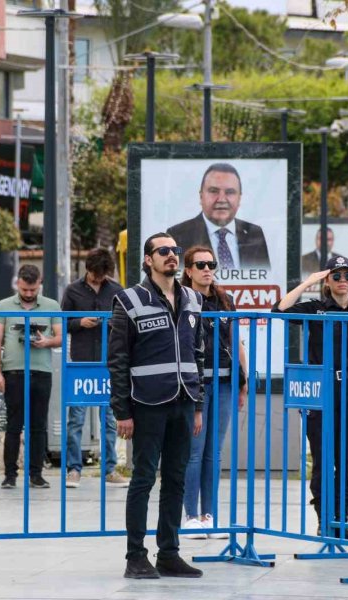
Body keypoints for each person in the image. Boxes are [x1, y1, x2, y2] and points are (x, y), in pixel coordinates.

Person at [108, 233, 205, 579]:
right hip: (146, 403)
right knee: (144, 479)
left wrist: (198, 404)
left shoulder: (193, 298)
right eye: (163, 251)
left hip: (183, 402)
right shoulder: (129, 300)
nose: (172, 256)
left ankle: (169, 553)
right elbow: (118, 359)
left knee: (176, 480)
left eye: (176, 251)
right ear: (148, 259)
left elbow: (198, 353)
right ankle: (136, 556)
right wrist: (122, 411)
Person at [271, 255, 348, 540]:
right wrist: (308, 282)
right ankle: (324, 520)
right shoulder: (315, 310)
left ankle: (342, 520)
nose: (343, 281)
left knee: (347, 462)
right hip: (322, 394)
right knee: (322, 460)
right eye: (336, 276)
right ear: (327, 281)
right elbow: (279, 310)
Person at [179, 246, 248, 540]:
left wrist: (244, 379)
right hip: (194, 385)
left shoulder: (224, 300)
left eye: (211, 264)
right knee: (194, 452)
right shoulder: (181, 299)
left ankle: (210, 516)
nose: (208, 269)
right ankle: (191, 516)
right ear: (189, 271)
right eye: (201, 264)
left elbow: (236, 342)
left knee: (214, 453)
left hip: (223, 383)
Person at [61, 249, 130, 490]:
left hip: (109, 362)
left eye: (101, 277)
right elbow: (62, 322)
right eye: (93, 276)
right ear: (87, 270)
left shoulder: (117, 290)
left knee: (110, 418)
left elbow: (127, 322)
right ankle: (73, 469)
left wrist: (111, 322)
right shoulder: (72, 290)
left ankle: (110, 469)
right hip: (81, 361)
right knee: (76, 418)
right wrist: (80, 322)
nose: (97, 280)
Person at [0, 264, 62, 489]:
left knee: (39, 426)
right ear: (18, 284)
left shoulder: (52, 305)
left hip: (41, 371)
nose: (29, 294)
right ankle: (10, 474)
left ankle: (36, 474)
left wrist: (47, 342)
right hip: (14, 371)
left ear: (39, 284)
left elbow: (61, 336)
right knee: (13, 424)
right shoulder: (3, 305)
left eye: (33, 290)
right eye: (25, 290)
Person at [166, 163, 270, 270]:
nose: (221, 199)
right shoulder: (178, 236)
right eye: (213, 191)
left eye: (230, 192)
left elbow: (265, 278)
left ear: (239, 198)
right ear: (201, 196)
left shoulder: (254, 233)